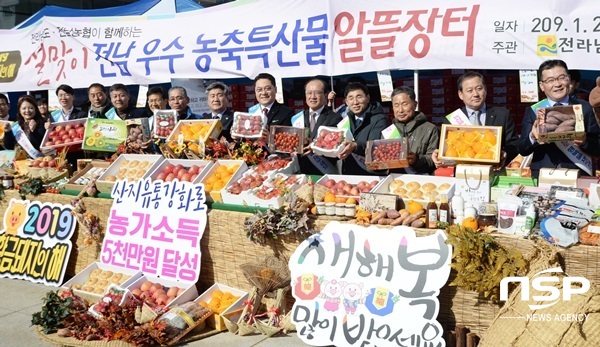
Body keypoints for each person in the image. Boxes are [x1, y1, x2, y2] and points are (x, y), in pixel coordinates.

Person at [518, 59, 600, 178]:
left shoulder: (584, 108)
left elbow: (597, 146)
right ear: (542, 85)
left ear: (569, 79)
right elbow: (522, 149)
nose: (557, 84)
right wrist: (532, 137)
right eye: (550, 80)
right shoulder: (533, 110)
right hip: (543, 175)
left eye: (562, 77)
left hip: (577, 174)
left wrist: (585, 142)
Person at [432, 71, 519, 168]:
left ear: (485, 89)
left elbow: (514, 144)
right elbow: (445, 149)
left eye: (479, 89)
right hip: (463, 173)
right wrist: (438, 154)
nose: (475, 94)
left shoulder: (502, 115)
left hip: (493, 172)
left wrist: (505, 153)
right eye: (469, 90)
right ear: (461, 94)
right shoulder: (452, 119)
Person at [338, 82, 390, 175]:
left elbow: (376, 145)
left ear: (367, 98)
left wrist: (355, 145)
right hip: (349, 173)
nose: (355, 102)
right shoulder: (345, 120)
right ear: (346, 102)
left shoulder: (380, 119)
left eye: (359, 97)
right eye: (351, 98)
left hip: (371, 175)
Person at [388, 87, 439, 175]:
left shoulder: (430, 129)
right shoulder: (388, 131)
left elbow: (433, 160)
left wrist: (416, 160)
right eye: (396, 105)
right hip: (395, 181)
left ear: (415, 104)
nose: (400, 110)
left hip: (421, 181)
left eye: (405, 104)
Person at [299, 78, 342, 174]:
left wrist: (314, 145)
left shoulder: (334, 118)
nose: (312, 96)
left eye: (317, 93)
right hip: (301, 170)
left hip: (324, 171)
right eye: (309, 93)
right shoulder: (299, 117)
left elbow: (335, 144)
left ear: (325, 95)